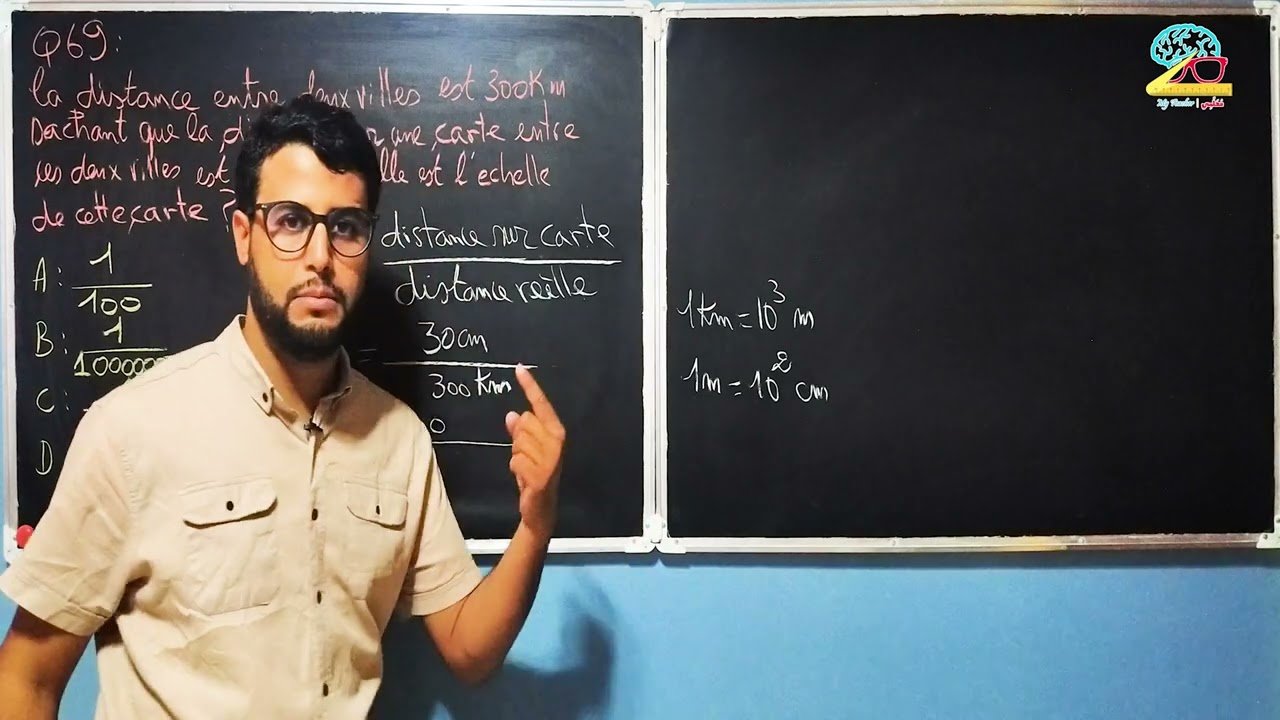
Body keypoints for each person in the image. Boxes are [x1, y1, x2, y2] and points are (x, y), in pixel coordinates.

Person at [0, 94, 565, 719]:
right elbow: (25, 679)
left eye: (345, 226)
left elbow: (468, 649)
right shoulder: (132, 431)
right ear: (245, 235)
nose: (321, 257)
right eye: (291, 221)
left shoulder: (399, 440)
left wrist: (535, 523)